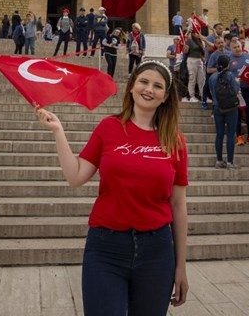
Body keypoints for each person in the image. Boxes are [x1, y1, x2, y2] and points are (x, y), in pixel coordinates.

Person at [36, 60, 189, 315]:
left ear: (165, 97)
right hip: (106, 248)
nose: (149, 89)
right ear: (131, 87)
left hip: (157, 251)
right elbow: (76, 177)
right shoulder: (109, 127)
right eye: (143, 81)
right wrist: (58, 131)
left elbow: (178, 205)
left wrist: (180, 266)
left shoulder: (175, 140)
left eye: (157, 86)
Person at [209, 54, 240, 169]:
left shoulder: (213, 77)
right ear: (228, 64)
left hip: (217, 107)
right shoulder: (230, 75)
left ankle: (219, 160)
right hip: (230, 108)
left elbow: (211, 91)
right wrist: (238, 82)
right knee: (231, 134)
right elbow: (235, 90)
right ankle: (230, 162)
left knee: (219, 134)